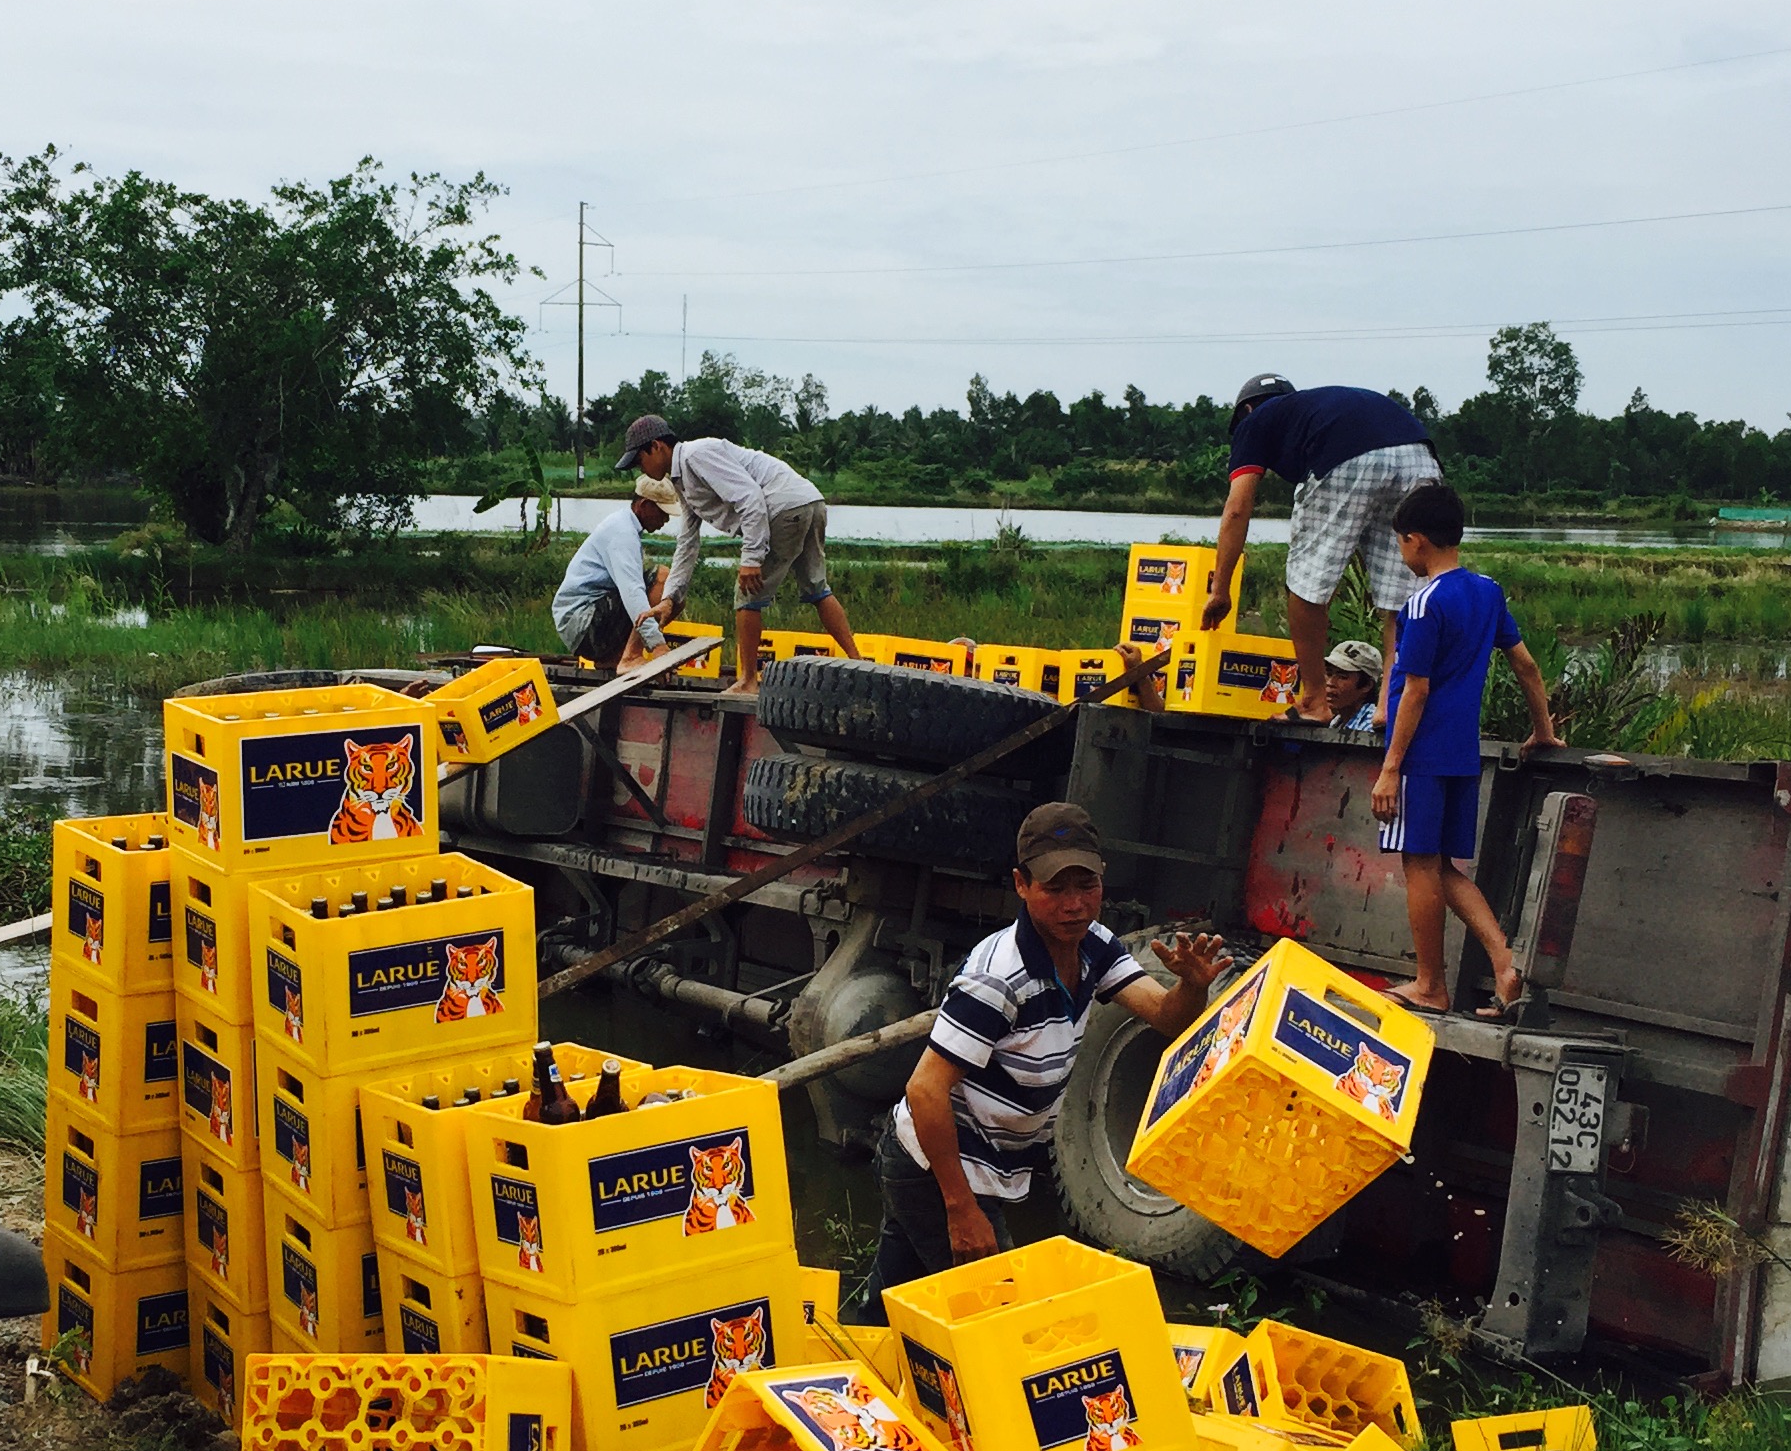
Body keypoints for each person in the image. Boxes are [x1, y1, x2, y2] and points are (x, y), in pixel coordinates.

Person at [857, 805, 1224, 1317]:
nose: (1075, 905)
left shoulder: (1094, 945)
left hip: (978, 1164)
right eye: (1056, 889)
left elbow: (1165, 1016)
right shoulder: (999, 979)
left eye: (1086, 885)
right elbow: (924, 1089)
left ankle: (837, 1379)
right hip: (938, 1168)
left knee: (885, 1310)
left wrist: (1192, 985)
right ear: (1022, 885)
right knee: (999, 1318)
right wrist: (961, 1210)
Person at [1370, 482, 1559, 1018]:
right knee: (1443, 867)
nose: (1402, 554)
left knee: (1418, 864)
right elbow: (1526, 665)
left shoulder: (1425, 603)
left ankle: (1430, 983)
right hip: (1461, 755)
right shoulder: (1487, 592)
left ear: (1417, 540)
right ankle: (1504, 962)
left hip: (1420, 756)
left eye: (1401, 543)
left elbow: (1417, 689)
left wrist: (1389, 770)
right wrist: (1542, 729)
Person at [1198, 375, 1441, 712]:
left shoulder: (1255, 421)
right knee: (1403, 598)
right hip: (1418, 453)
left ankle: (1313, 700)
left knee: (1306, 581)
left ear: (1248, 409)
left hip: (1346, 458)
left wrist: (1220, 590)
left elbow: (1238, 509)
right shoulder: (1318, 407)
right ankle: (1391, 706)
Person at [615, 412, 863, 686]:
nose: (642, 469)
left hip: (783, 507)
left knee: (747, 593)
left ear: (657, 446)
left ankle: (747, 682)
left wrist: (752, 559)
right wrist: (669, 599)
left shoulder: (695, 456)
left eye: (641, 460)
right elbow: (687, 541)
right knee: (817, 589)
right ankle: (857, 662)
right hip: (809, 502)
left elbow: (750, 497)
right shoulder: (682, 480)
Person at [551, 476, 679, 670]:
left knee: (674, 592)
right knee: (664, 579)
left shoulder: (624, 525)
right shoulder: (622, 532)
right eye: (662, 512)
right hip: (583, 623)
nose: (666, 519)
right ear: (644, 505)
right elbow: (632, 591)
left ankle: (614, 659)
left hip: (582, 624)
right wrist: (657, 645)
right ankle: (631, 656)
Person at [1320, 637, 1386, 732]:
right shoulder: (1337, 722)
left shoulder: (1372, 727)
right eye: (1329, 674)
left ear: (1367, 685)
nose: (1330, 683)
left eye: (1342, 677)